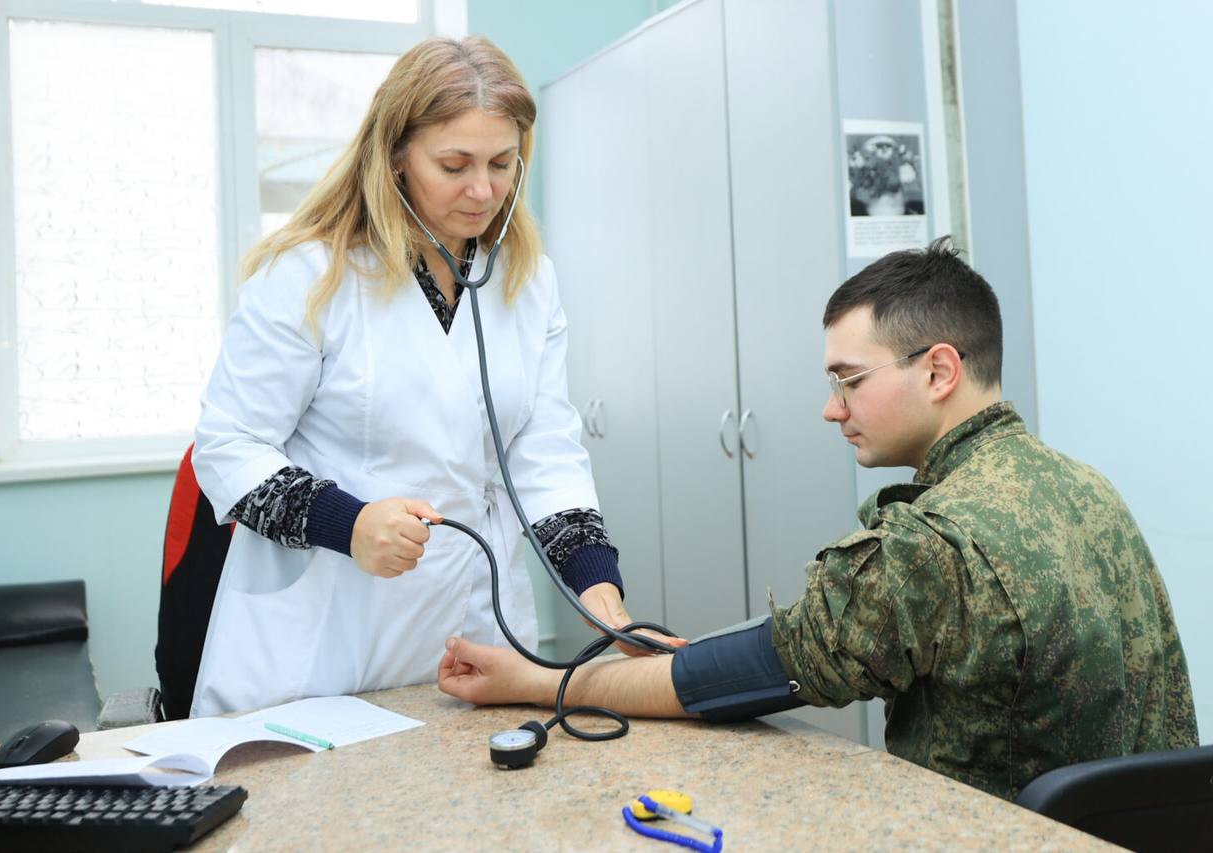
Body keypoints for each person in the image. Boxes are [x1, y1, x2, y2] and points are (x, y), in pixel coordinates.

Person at [438, 237, 1198, 801]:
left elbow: (746, 673)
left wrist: (535, 681)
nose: (832, 409)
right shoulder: (1084, 486)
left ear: (939, 370)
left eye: (850, 380)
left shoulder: (932, 544)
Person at [189, 36, 671, 718]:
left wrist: (597, 592)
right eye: (454, 164)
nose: (483, 190)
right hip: (321, 649)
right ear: (395, 156)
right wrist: (351, 523)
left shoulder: (526, 281)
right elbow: (227, 446)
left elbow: (543, 453)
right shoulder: (310, 274)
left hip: (476, 639)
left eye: (502, 163)